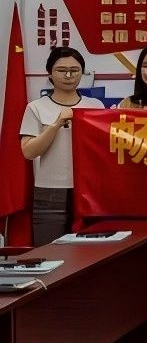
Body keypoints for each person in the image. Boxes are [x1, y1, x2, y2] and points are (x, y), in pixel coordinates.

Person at [21, 46, 105, 246]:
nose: (68, 75)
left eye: (74, 70)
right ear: (50, 73)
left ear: (82, 73)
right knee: (49, 250)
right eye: (61, 70)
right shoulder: (36, 107)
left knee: (90, 251)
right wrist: (56, 124)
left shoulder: (95, 106)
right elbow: (29, 151)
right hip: (50, 190)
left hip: (89, 190)